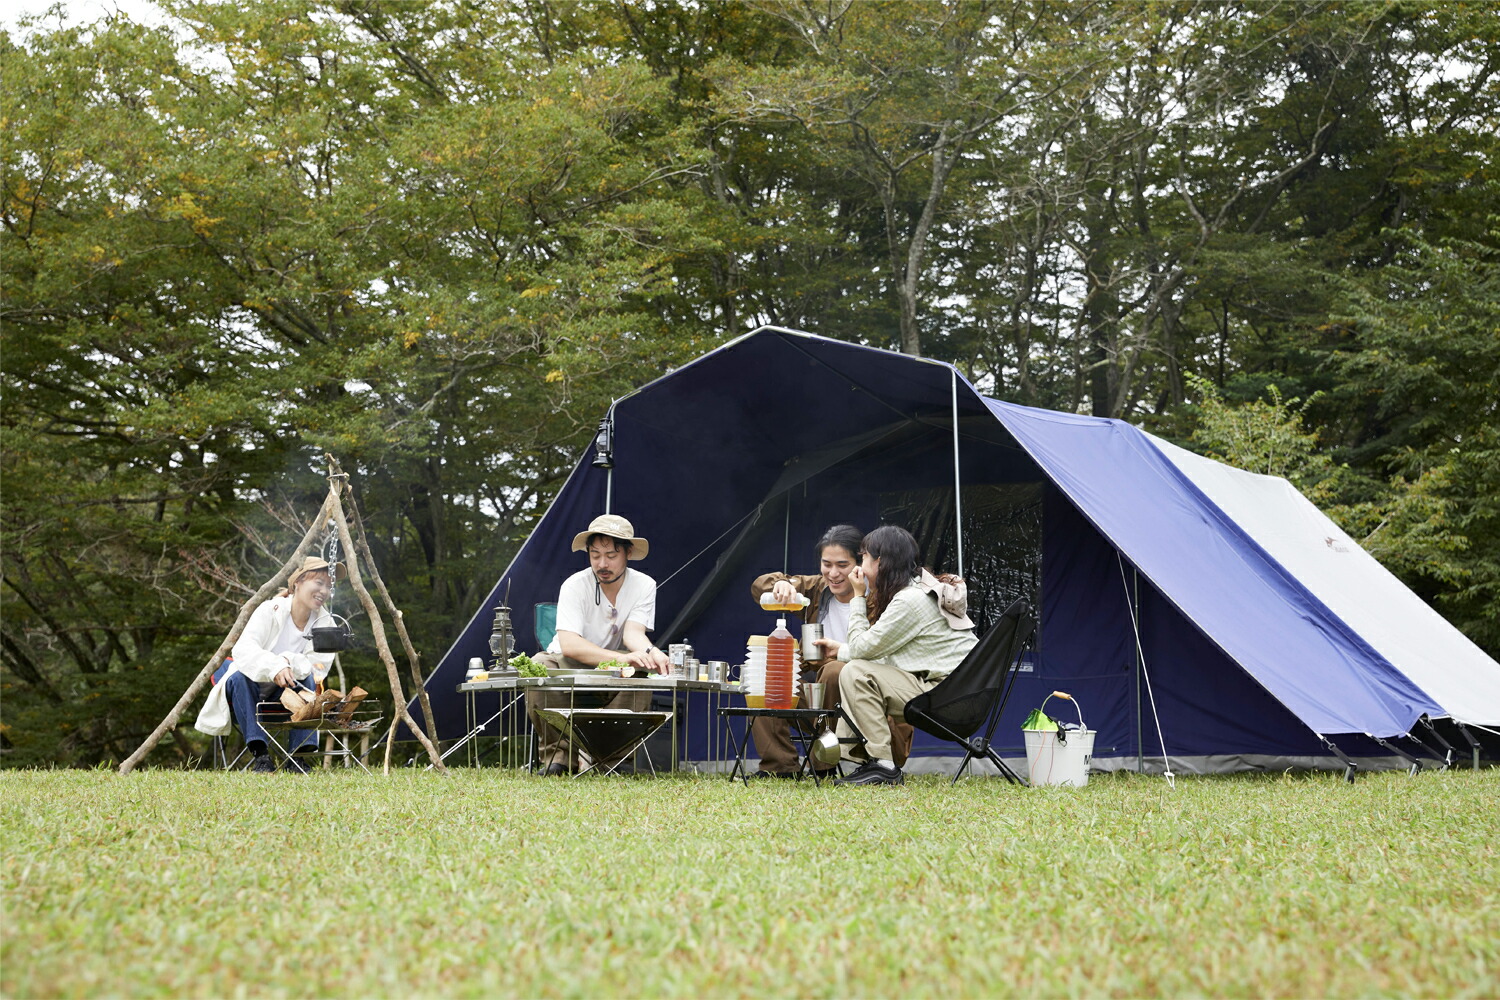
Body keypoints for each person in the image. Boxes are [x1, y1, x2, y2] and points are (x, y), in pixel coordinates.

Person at [746, 524, 914, 778]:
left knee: (835, 670)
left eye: (842, 565)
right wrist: (782, 584)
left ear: (861, 563)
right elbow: (759, 587)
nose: (833, 574)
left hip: (865, 702)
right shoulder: (816, 590)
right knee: (768, 680)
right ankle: (779, 767)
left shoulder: (882, 599)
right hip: (819, 701)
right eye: (827, 564)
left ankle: (823, 767)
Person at [817, 525, 978, 787]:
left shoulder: (909, 601)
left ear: (880, 561)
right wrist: (842, 650)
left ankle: (883, 766)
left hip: (946, 698)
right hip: (961, 693)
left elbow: (859, 649)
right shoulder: (920, 591)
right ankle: (871, 762)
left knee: (855, 671)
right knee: (859, 667)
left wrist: (859, 596)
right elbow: (880, 655)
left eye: (864, 557)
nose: (862, 566)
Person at [525, 514, 671, 776]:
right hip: (568, 663)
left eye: (611, 555)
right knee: (538, 666)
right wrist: (621, 658)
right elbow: (569, 645)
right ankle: (558, 759)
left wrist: (650, 652)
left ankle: (612, 758)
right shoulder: (574, 584)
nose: (602, 563)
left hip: (612, 668)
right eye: (595, 555)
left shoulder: (644, 585)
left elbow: (634, 634)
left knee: (642, 671)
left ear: (627, 553)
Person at [195, 556, 341, 773]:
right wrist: (275, 666)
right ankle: (261, 756)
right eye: (319, 583)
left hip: (288, 695)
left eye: (328, 586)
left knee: (308, 678)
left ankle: (298, 758)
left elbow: (318, 666)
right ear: (298, 582)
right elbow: (243, 650)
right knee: (238, 677)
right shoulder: (269, 610)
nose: (324, 591)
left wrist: (287, 662)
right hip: (249, 694)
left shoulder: (325, 623)